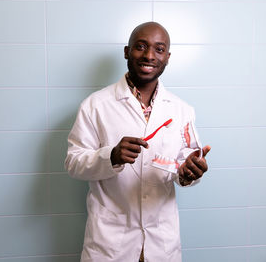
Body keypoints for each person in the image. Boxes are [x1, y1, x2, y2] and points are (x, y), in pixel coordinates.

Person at [65, 22, 211, 262]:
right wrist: (110, 156)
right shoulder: (95, 106)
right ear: (126, 51)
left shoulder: (182, 110)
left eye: (159, 49)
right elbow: (73, 163)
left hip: (161, 243)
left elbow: (184, 166)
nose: (149, 56)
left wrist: (188, 175)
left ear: (168, 57)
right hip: (110, 244)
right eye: (140, 47)